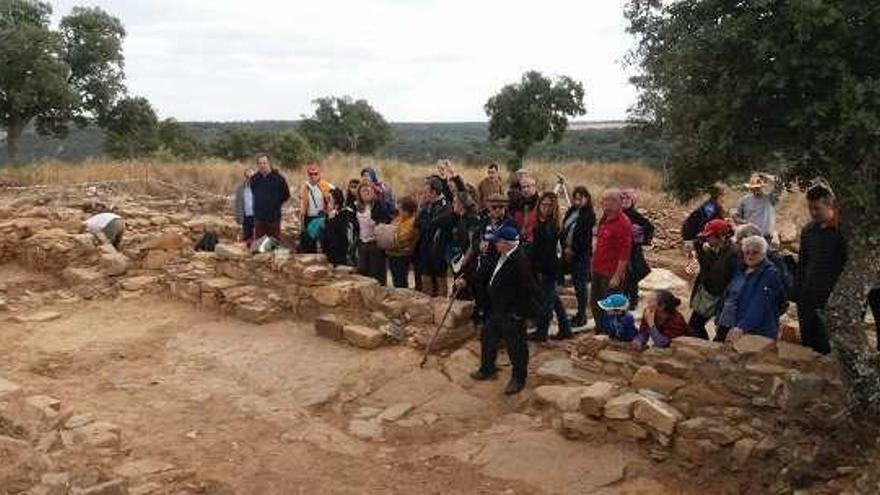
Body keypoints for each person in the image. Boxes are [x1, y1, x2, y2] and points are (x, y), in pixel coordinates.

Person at [467, 225, 541, 395]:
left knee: (516, 346)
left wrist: (520, 313)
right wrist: (468, 280)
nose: (494, 245)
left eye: (497, 242)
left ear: (506, 243)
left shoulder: (519, 261)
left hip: (511, 312)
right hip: (497, 307)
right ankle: (487, 368)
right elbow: (487, 272)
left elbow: (528, 289)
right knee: (488, 336)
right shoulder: (502, 255)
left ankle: (518, 378)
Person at [796, 180, 847, 354]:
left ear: (830, 205)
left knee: (828, 347)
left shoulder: (844, 231)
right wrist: (798, 292)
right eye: (810, 208)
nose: (813, 212)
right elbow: (802, 263)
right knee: (808, 346)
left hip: (833, 299)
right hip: (808, 297)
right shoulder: (808, 231)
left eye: (817, 208)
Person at [716, 235, 787, 342]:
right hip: (729, 324)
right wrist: (719, 317)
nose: (750, 256)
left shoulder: (770, 274)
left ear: (763, 253)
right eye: (747, 252)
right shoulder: (741, 269)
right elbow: (728, 295)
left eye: (755, 252)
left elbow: (760, 304)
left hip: (754, 330)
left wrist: (742, 327)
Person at [530, 192, 572, 341]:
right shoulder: (540, 221)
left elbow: (549, 249)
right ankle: (566, 328)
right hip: (542, 264)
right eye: (543, 204)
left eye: (549, 205)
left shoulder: (552, 225)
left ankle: (542, 332)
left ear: (553, 207)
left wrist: (540, 268)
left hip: (548, 266)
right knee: (553, 297)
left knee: (547, 302)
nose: (545, 208)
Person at [687, 219, 739, 339]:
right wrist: (700, 250)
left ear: (720, 236)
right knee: (694, 326)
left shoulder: (733, 254)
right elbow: (710, 269)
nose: (706, 239)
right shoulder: (718, 250)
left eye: (709, 236)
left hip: (721, 298)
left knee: (716, 334)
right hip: (711, 296)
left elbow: (716, 274)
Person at [590, 189, 633, 332]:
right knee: (595, 304)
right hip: (597, 269)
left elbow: (624, 253)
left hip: (610, 273)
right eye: (603, 200)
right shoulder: (604, 218)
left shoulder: (623, 223)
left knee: (611, 307)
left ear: (617, 202)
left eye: (608, 200)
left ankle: (614, 334)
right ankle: (600, 330)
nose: (604, 203)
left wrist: (617, 275)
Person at [562, 186, 597, 328]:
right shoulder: (571, 211)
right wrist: (565, 247)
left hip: (580, 255)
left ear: (586, 199)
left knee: (580, 285)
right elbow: (564, 229)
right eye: (575, 198)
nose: (577, 201)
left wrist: (573, 250)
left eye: (580, 199)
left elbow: (586, 238)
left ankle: (581, 314)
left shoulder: (589, 215)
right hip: (566, 252)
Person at [414, 177, 454, 296]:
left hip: (439, 249)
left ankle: (440, 308)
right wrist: (420, 208)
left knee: (440, 281)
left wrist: (426, 222)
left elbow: (432, 224)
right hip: (425, 247)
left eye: (426, 192)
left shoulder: (445, 206)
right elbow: (417, 224)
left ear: (434, 192)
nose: (425, 195)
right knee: (425, 280)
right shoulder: (427, 205)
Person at [621, 187, 655, 309]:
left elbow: (649, 228)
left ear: (632, 201)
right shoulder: (617, 214)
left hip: (633, 250)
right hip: (619, 250)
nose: (624, 201)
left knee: (632, 276)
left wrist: (639, 238)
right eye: (622, 198)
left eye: (627, 199)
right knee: (622, 276)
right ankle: (623, 300)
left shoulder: (635, 215)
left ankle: (633, 301)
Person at [355, 182, 392, 285]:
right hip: (363, 242)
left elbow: (387, 217)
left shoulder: (378, 204)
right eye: (363, 191)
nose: (366, 193)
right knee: (363, 271)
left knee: (376, 273)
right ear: (359, 194)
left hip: (375, 243)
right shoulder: (357, 206)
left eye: (368, 190)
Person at [250, 153, 291, 240]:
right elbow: (253, 192)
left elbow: (286, 195)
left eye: (264, 163)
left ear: (269, 163)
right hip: (259, 219)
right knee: (259, 246)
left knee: (273, 244)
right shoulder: (254, 179)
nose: (262, 165)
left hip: (274, 218)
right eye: (260, 163)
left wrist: (275, 204)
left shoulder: (279, 179)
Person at [734, 172, 783, 240]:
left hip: (766, 236)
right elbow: (737, 217)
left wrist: (766, 176)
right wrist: (745, 223)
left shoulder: (770, 198)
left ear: (762, 187)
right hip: (750, 236)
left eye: (758, 188)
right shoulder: (744, 200)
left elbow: (779, 186)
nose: (756, 190)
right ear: (750, 188)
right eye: (754, 188)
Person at [299, 163, 334, 254]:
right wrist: (301, 221)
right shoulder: (304, 187)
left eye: (315, 173)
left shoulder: (326, 185)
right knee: (310, 243)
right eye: (311, 174)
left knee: (324, 241)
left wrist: (329, 210)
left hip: (322, 217)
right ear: (308, 175)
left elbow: (336, 196)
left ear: (319, 174)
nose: (313, 176)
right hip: (309, 217)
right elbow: (302, 203)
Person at [386, 196, 419, 289]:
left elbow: (404, 237)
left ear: (407, 210)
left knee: (401, 282)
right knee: (396, 281)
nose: (398, 211)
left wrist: (392, 236)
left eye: (400, 209)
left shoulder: (412, 221)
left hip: (403, 255)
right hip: (392, 253)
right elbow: (390, 229)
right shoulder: (398, 219)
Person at [321, 188, 358, 267]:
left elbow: (343, 237)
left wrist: (332, 220)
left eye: (330, 200)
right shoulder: (329, 215)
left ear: (336, 203)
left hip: (340, 255)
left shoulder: (345, 215)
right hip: (329, 254)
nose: (327, 204)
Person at [510, 175, 539, 246]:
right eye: (523, 187)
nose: (526, 189)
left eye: (528, 186)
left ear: (534, 187)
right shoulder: (516, 204)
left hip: (536, 244)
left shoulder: (541, 204)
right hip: (519, 244)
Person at [233, 168, 256, 245]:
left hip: (257, 216)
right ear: (245, 177)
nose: (249, 178)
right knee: (246, 238)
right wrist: (238, 218)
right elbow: (237, 204)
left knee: (257, 238)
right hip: (245, 217)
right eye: (247, 176)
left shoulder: (260, 187)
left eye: (252, 177)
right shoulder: (240, 189)